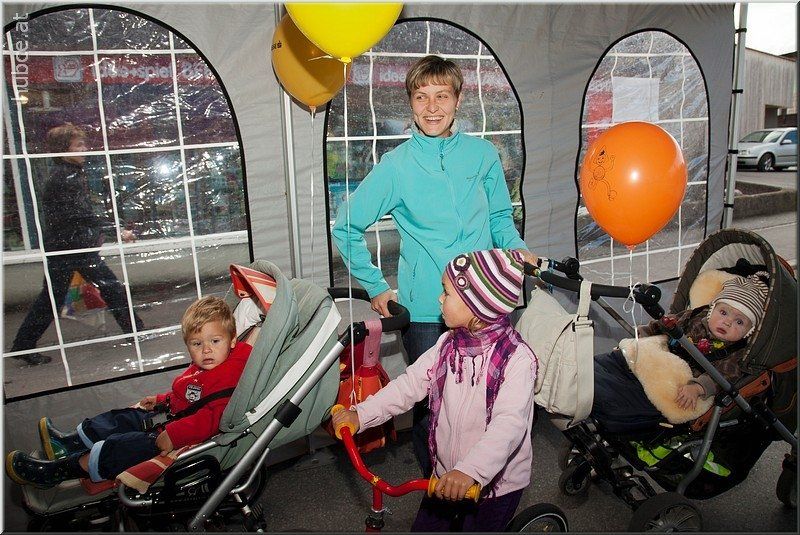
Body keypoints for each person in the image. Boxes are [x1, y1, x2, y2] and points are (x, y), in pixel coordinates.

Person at [331, 55, 535, 475]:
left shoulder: (482, 155)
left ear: (458, 100)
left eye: (442, 95)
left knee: (491, 399)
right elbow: (346, 226)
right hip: (428, 310)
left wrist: (519, 251)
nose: (432, 107)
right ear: (410, 103)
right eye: (421, 97)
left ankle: (482, 478)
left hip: (485, 305)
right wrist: (375, 285)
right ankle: (437, 486)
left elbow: (500, 219)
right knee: (431, 405)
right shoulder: (396, 166)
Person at [333, 249, 537, 532]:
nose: (439, 299)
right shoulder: (447, 344)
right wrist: (362, 414)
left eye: (447, 292)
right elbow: (408, 385)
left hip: (495, 485)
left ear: (478, 308)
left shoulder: (517, 360)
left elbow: (508, 425)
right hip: (444, 474)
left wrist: (471, 470)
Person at [6, 296, 251, 488]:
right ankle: (70, 442)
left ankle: (59, 471)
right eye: (197, 344)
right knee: (122, 418)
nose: (206, 350)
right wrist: (162, 400)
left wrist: (175, 434)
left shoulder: (231, 374)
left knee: (119, 447)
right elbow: (190, 395)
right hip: (169, 417)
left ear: (232, 340)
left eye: (214, 341)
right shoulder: (208, 365)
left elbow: (216, 416)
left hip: (175, 436)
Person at [9, 123, 143, 366]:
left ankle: (135, 329)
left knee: (59, 296)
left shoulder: (68, 173)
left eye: (83, 144)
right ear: (63, 149)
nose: (84, 149)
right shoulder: (66, 177)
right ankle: (135, 330)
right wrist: (117, 229)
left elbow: (79, 214)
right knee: (104, 287)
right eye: (78, 145)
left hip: (69, 246)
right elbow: (80, 214)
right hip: (70, 248)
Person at [590, 273, 769, 433]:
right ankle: (588, 378)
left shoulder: (737, 351)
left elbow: (726, 375)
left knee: (617, 400)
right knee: (605, 364)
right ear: (712, 308)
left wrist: (698, 387)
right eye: (723, 312)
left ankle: (594, 395)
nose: (727, 322)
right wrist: (645, 333)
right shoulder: (695, 317)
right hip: (656, 361)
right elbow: (665, 324)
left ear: (749, 331)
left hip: (678, 384)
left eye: (739, 322)